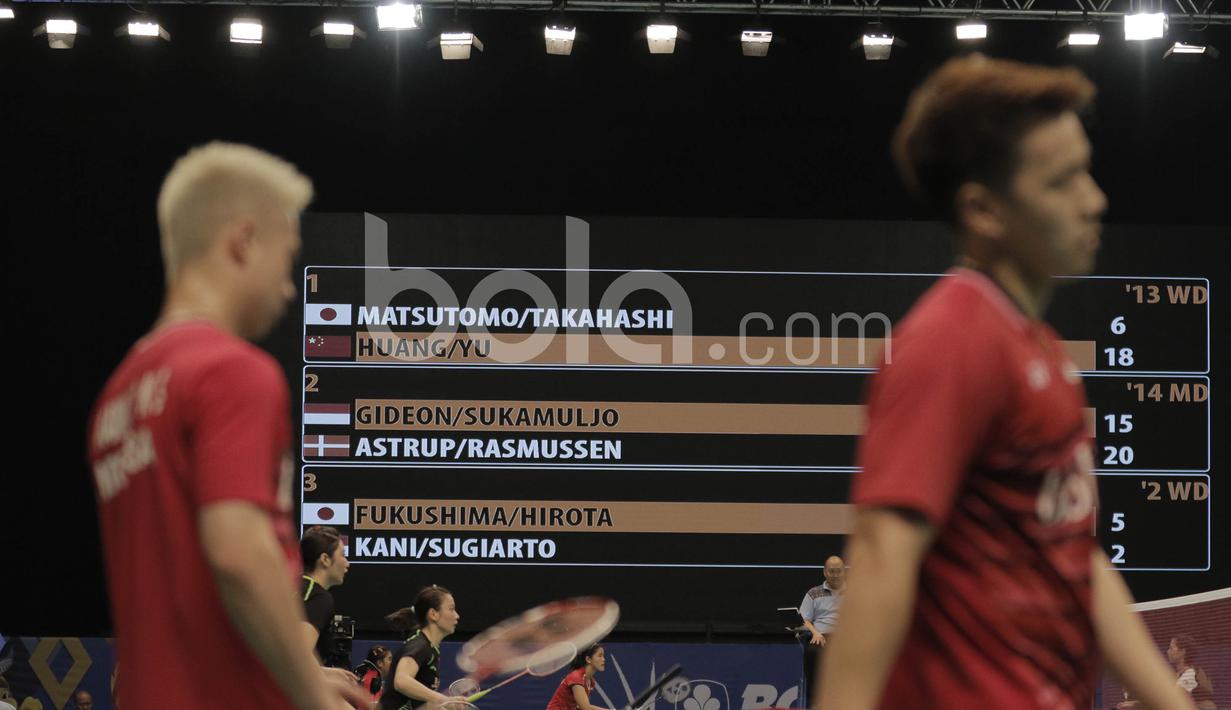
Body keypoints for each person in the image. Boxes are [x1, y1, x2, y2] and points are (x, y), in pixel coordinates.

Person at [816, 56, 1196, 710]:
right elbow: (880, 558)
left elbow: (1078, 562)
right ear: (983, 210)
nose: (1095, 199)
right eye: (1063, 181)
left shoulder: (1039, 350)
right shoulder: (950, 340)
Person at [87, 142, 365, 710]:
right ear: (242, 240)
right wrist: (310, 692)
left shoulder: (117, 397)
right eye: (286, 261)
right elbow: (239, 556)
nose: (290, 290)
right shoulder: (231, 371)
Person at [381, 585, 464, 710]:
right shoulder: (419, 645)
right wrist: (444, 699)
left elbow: (417, 703)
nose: (457, 616)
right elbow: (401, 681)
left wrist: (444, 706)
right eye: (451, 609)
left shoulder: (431, 649)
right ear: (433, 614)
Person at [301, 525, 351, 665]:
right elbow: (299, 654)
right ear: (325, 559)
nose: (347, 563)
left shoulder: (295, 586)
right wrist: (327, 677)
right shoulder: (319, 598)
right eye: (343, 554)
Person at [798, 556, 845, 700]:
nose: (835, 575)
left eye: (838, 571)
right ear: (825, 572)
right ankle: (815, 701)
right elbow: (804, 620)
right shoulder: (813, 593)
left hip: (845, 638)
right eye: (832, 571)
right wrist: (815, 632)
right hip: (821, 637)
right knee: (812, 653)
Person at [546, 645, 612, 710]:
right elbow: (585, 707)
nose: (603, 659)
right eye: (599, 656)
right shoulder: (576, 677)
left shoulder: (591, 681)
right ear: (588, 659)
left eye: (603, 656)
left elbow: (580, 707)